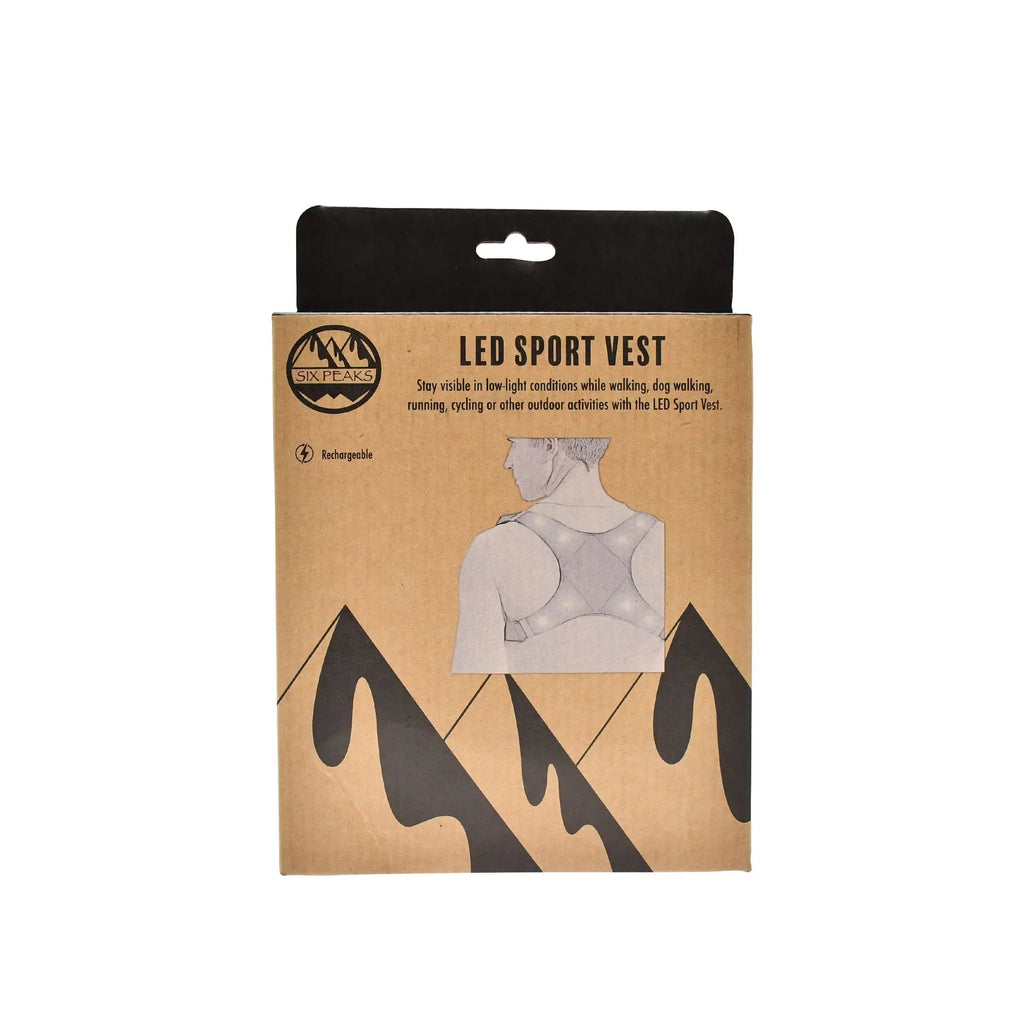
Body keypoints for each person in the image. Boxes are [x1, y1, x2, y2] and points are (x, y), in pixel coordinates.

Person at [452, 437, 665, 674]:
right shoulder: (660, 540)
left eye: (514, 443)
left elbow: (474, 681)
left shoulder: (494, 547)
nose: (508, 462)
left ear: (549, 446)